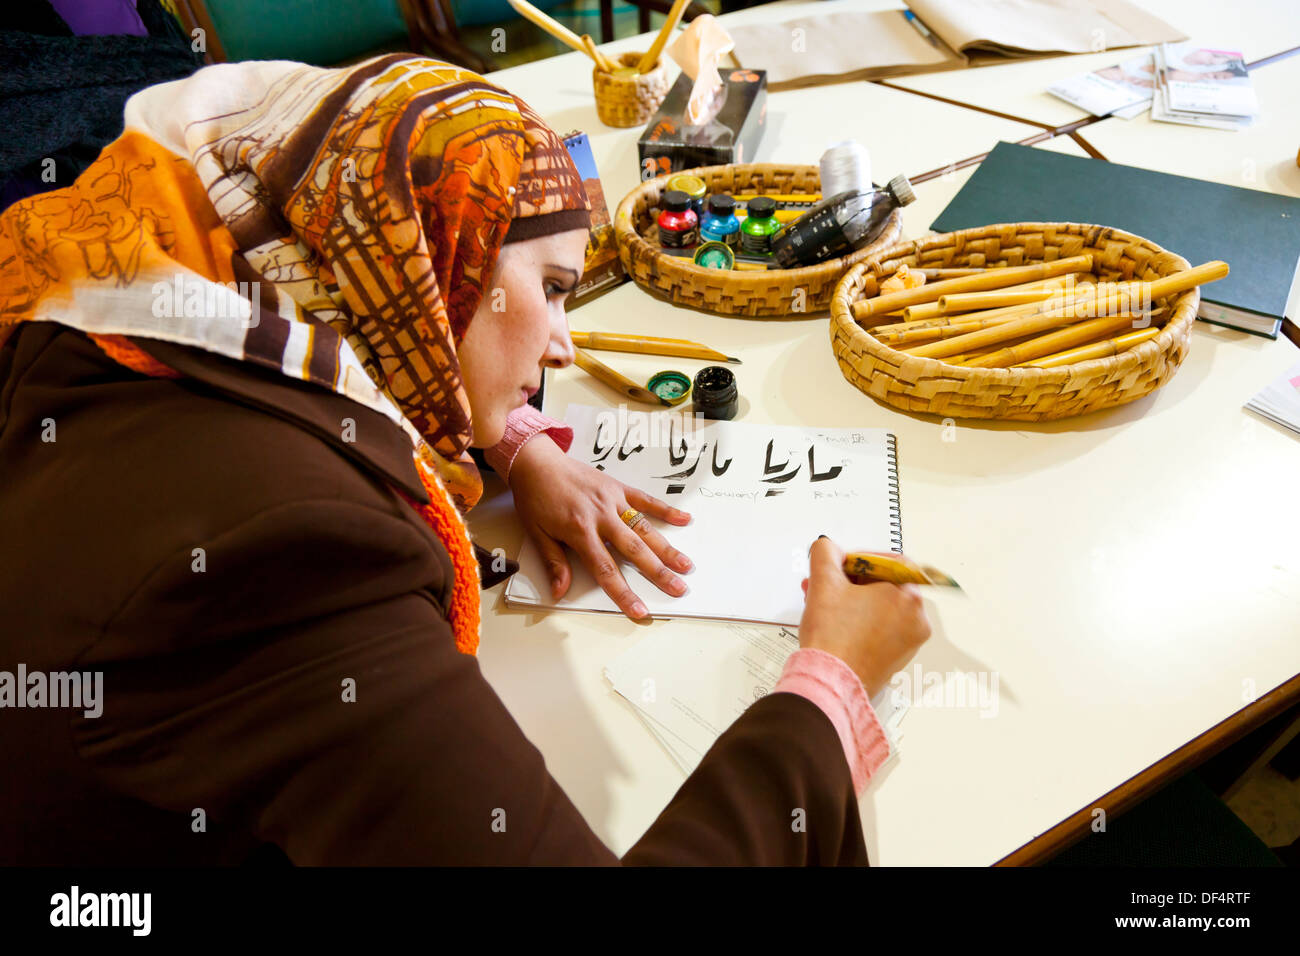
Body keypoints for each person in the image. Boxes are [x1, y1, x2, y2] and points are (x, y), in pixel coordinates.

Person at [0, 55, 930, 865]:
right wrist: (829, 684)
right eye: (557, 291)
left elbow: (404, 349)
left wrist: (515, 444)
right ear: (419, 262)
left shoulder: (141, 298)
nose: (565, 349)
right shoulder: (284, 560)